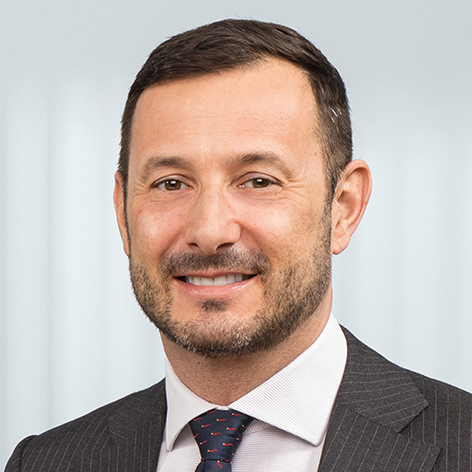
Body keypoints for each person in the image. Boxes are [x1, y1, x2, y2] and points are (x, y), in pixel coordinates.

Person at [5, 19, 472, 472]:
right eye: (171, 183)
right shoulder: (44, 463)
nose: (210, 231)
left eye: (258, 181)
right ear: (123, 212)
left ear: (343, 208)